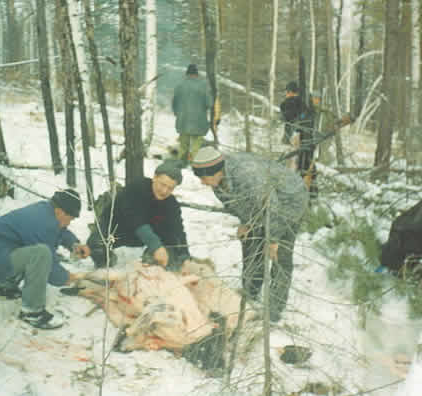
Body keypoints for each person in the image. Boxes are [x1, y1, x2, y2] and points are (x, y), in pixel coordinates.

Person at [191, 147, 308, 322]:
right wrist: (245, 222)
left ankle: (274, 310)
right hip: (266, 202)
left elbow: (272, 207)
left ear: (215, 172)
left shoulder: (247, 175)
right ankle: (250, 291)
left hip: (289, 201)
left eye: (203, 177)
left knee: (279, 255)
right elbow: (236, 202)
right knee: (251, 242)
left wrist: (274, 239)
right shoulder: (218, 181)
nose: (202, 182)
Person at [0, 189, 91, 330]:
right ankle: (32, 312)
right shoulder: (43, 222)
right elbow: (52, 272)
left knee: (29, 250)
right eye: (70, 219)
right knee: (41, 254)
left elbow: (58, 230)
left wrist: (74, 244)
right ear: (61, 212)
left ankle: (6, 284)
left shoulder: (46, 212)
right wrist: (69, 278)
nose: (69, 223)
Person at [87, 160, 191, 271]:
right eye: (163, 184)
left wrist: (185, 258)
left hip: (142, 238)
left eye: (170, 188)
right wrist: (156, 246)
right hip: (116, 230)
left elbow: (178, 231)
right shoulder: (136, 188)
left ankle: (150, 266)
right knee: (95, 246)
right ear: (155, 177)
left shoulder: (171, 204)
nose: (164, 191)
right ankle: (106, 261)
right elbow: (134, 219)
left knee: (165, 257)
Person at [172, 63, 213, 164]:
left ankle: (181, 163)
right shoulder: (203, 86)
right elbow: (209, 103)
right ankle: (194, 163)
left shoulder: (179, 86)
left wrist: (178, 114)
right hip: (198, 121)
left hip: (183, 120)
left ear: (187, 74)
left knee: (183, 145)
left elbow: (174, 104)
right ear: (196, 74)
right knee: (196, 144)